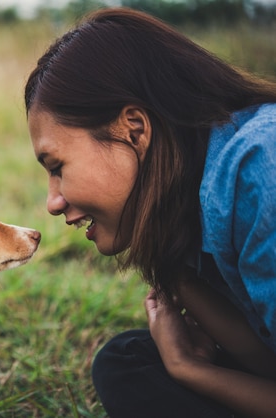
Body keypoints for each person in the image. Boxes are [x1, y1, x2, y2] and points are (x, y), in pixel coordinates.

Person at [24, 7, 276, 418]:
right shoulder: (186, 210)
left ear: (134, 130)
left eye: (57, 168)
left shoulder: (259, 169)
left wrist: (191, 372)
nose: (53, 202)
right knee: (128, 362)